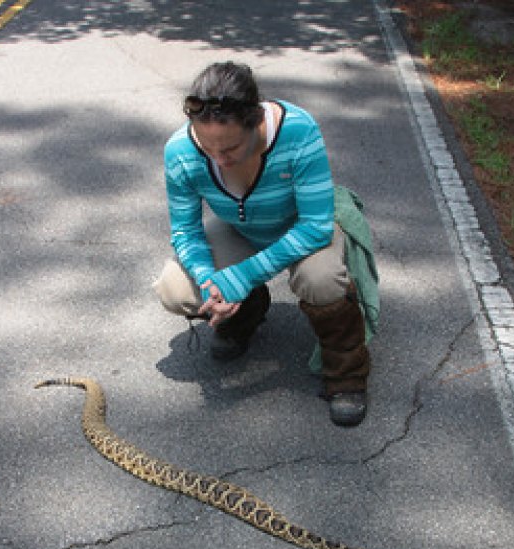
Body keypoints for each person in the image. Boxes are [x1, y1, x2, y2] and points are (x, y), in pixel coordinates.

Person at [154, 61, 371, 427]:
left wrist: (242, 274)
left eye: (231, 148)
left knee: (320, 278)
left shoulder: (298, 131)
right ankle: (244, 315)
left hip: (301, 225)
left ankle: (346, 372)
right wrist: (213, 280)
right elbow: (186, 233)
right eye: (207, 148)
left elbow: (316, 227)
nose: (218, 159)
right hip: (242, 230)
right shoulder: (179, 152)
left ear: (256, 122)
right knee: (176, 288)